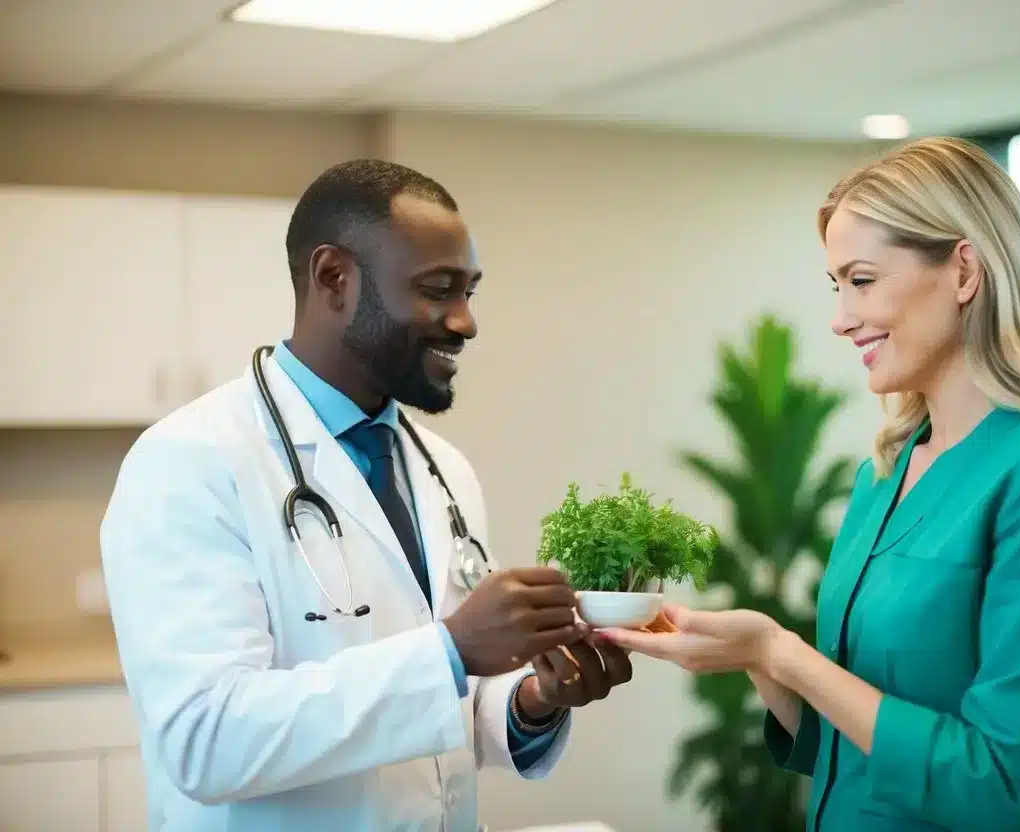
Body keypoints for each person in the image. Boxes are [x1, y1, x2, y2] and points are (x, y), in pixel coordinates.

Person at [601, 137, 1020, 831]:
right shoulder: (885, 473)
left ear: (962, 271)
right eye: (835, 286)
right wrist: (758, 657)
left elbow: (1012, 792)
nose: (839, 318)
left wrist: (785, 653)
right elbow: (847, 742)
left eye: (860, 281)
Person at [99, 159, 633, 831]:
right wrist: (449, 650)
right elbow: (204, 740)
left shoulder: (442, 470)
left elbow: (442, 714)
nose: (465, 322)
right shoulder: (189, 463)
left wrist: (533, 700)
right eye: (438, 290)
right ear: (334, 279)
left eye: (469, 291)